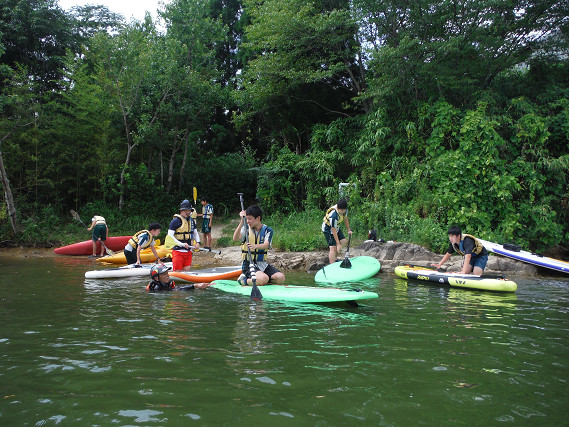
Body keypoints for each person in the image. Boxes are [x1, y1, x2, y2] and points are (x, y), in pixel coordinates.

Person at [232, 204, 285, 286]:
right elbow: (235, 238)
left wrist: (255, 246)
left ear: (258, 218)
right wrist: (242, 221)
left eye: (250, 219)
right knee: (263, 278)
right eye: (247, 219)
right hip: (249, 265)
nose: (248, 221)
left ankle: (261, 280)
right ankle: (243, 280)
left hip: (262, 264)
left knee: (280, 278)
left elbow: (266, 245)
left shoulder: (268, 230)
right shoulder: (246, 229)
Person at [167, 199, 200, 271]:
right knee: (178, 272)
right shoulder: (175, 221)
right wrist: (181, 244)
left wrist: (197, 242)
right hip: (178, 251)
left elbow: (195, 233)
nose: (188, 212)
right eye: (186, 210)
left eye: (189, 210)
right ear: (181, 211)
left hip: (188, 252)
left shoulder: (191, 221)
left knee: (186, 271)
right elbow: (170, 236)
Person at [322, 198, 352, 264]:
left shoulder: (345, 210)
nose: (341, 211)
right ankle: (331, 264)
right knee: (333, 248)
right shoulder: (334, 215)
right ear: (338, 208)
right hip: (328, 229)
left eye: (343, 210)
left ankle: (335, 258)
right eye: (340, 210)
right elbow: (333, 230)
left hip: (336, 227)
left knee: (344, 241)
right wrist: (338, 243)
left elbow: (345, 219)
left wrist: (348, 230)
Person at [146, 264, 211, 292]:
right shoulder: (157, 289)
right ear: (157, 278)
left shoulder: (166, 283)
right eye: (164, 274)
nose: (168, 275)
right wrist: (195, 285)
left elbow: (176, 289)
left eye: (167, 273)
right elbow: (176, 291)